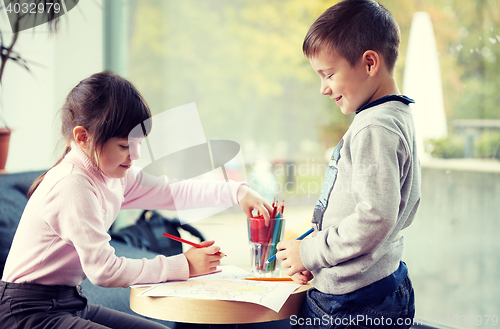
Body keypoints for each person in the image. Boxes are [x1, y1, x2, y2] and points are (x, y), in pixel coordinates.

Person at [0, 71, 272, 329]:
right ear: (83, 137)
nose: (136, 155)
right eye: (124, 146)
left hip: (69, 301)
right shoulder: (73, 185)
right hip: (27, 312)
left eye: (140, 143)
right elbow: (104, 270)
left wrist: (237, 192)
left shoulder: (112, 174)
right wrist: (184, 265)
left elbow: (172, 193)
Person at [276, 1, 420, 328]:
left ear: (369, 63)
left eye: (328, 74)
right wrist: (310, 251)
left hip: (352, 303)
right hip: (378, 284)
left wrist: (311, 253)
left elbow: (374, 218)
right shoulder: (396, 115)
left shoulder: (373, 127)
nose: (323, 89)